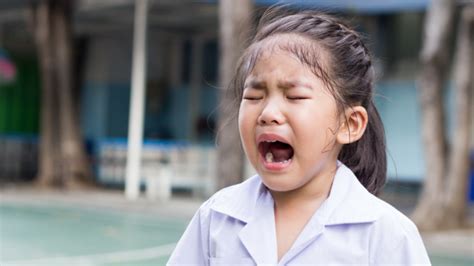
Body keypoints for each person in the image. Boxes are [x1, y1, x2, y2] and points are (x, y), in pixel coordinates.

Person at [168, 7, 430, 266]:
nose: (268, 113)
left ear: (349, 124)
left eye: (295, 96)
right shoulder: (216, 217)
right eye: (254, 97)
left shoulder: (389, 236)